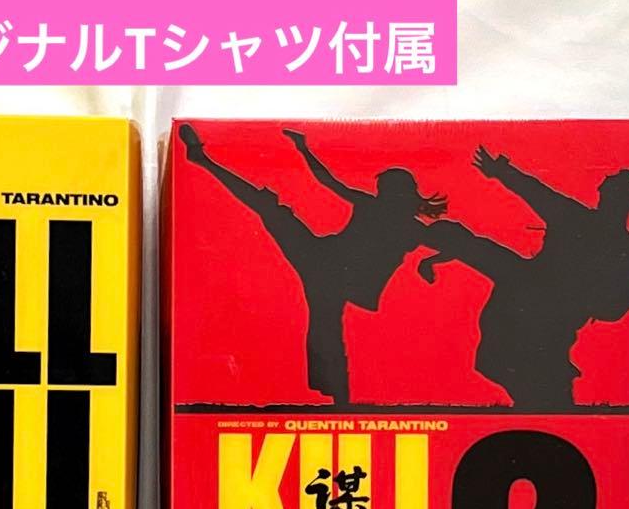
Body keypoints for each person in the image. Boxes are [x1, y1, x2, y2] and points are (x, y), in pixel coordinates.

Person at [179, 122, 450, 405]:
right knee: (268, 208)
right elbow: (328, 181)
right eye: (379, 188)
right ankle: (340, 397)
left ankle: (340, 397)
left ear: (399, 193)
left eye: (383, 188)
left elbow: (455, 245)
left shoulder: (407, 225)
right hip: (321, 258)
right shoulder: (393, 217)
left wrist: (431, 261)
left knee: (325, 325)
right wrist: (303, 149)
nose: (379, 192)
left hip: (333, 273)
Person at [419, 146, 629, 408]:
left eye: (611, 197)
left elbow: (616, 306)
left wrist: (584, 300)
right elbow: (534, 194)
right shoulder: (595, 230)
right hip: (528, 297)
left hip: (550, 315)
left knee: (538, 381)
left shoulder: (624, 250)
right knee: (507, 364)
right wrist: (500, 171)